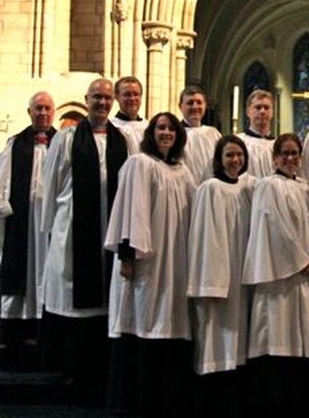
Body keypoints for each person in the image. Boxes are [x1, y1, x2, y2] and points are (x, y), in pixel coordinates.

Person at [41, 78, 130, 404]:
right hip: (72, 231)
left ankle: (99, 368)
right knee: (73, 299)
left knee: (105, 302)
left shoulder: (122, 140)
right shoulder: (65, 139)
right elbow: (50, 187)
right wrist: (50, 229)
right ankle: (72, 369)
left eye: (108, 98)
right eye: (97, 97)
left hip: (109, 231)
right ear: (86, 99)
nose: (103, 103)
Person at [105, 111, 196, 417]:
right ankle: (139, 398)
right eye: (160, 128)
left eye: (171, 128)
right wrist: (128, 256)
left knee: (171, 322)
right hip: (147, 262)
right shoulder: (139, 164)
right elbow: (131, 211)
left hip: (176, 263)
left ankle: (168, 398)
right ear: (151, 133)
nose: (166, 133)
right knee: (143, 318)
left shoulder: (183, 172)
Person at [242, 133, 309, 415]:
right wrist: (298, 260)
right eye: (285, 153)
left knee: (299, 339)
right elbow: (273, 227)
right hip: (277, 276)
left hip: (302, 273)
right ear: (275, 157)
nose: (290, 158)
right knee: (275, 337)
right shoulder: (267, 186)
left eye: (295, 153)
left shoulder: (306, 189)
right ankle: (272, 400)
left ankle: (296, 399)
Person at [188, 135, 256, 417]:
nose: (235, 160)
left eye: (239, 155)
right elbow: (204, 238)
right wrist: (212, 280)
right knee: (217, 334)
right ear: (219, 159)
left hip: (243, 269)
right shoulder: (209, 189)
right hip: (218, 273)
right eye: (229, 155)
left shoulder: (250, 187)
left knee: (241, 334)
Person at [0, 91, 56, 358]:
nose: (43, 113)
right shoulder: (16, 143)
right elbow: (2, 177)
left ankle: (44, 328)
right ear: (29, 112)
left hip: (52, 222)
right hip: (22, 220)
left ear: (53, 112)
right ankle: (15, 330)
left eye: (47, 109)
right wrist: (6, 209)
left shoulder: (63, 143)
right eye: (38, 109)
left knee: (47, 272)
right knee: (19, 271)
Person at [178, 84, 221, 183]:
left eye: (199, 102)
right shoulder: (176, 134)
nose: (195, 107)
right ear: (180, 106)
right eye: (190, 103)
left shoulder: (213, 133)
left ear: (205, 105)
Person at [237, 89, 276, 178]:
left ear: (272, 112)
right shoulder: (239, 142)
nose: (262, 111)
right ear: (248, 111)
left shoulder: (278, 145)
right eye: (258, 107)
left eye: (266, 108)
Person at [110, 75, 147, 151]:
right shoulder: (111, 126)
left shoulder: (148, 126)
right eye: (127, 94)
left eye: (136, 94)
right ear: (117, 97)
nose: (132, 98)